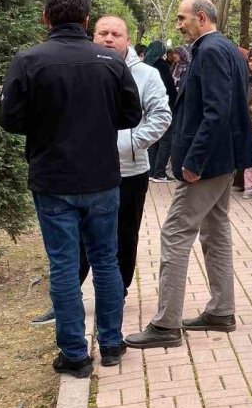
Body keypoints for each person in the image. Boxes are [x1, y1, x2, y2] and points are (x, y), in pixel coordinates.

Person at [0, 0, 142, 376]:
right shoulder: (111, 62)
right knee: (106, 261)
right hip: (100, 178)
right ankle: (111, 343)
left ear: (46, 18)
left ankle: (76, 354)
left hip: (53, 180)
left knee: (64, 265)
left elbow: (9, 119)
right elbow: (131, 116)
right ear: (85, 19)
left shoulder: (29, 61)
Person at [124, 0, 252, 349]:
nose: (179, 25)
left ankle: (166, 324)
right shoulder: (225, 48)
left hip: (209, 162)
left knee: (175, 232)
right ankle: (221, 311)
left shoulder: (211, 50)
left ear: (201, 17)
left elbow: (216, 112)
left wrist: (194, 162)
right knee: (215, 230)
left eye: (182, 19)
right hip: (224, 159)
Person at [31, 16, 173, 327]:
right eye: (102, 32)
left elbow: (161, 116)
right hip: (83, 170)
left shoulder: (147, 75)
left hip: (129, 170)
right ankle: (65, 301)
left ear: (128, 39)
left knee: (123, 236)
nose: (109, 38)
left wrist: (126, 144)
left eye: (116, 34)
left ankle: (114, 297)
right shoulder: (81, 68)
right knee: (75, 239)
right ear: (91, 35)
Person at [144, 41, 178, 182]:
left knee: (153, 139)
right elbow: (169, 86)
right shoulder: (162, 66)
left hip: (149, 106)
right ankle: (160, 172)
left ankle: (151, 171)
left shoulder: (145, 65)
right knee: (166, 139)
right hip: (165, 105)